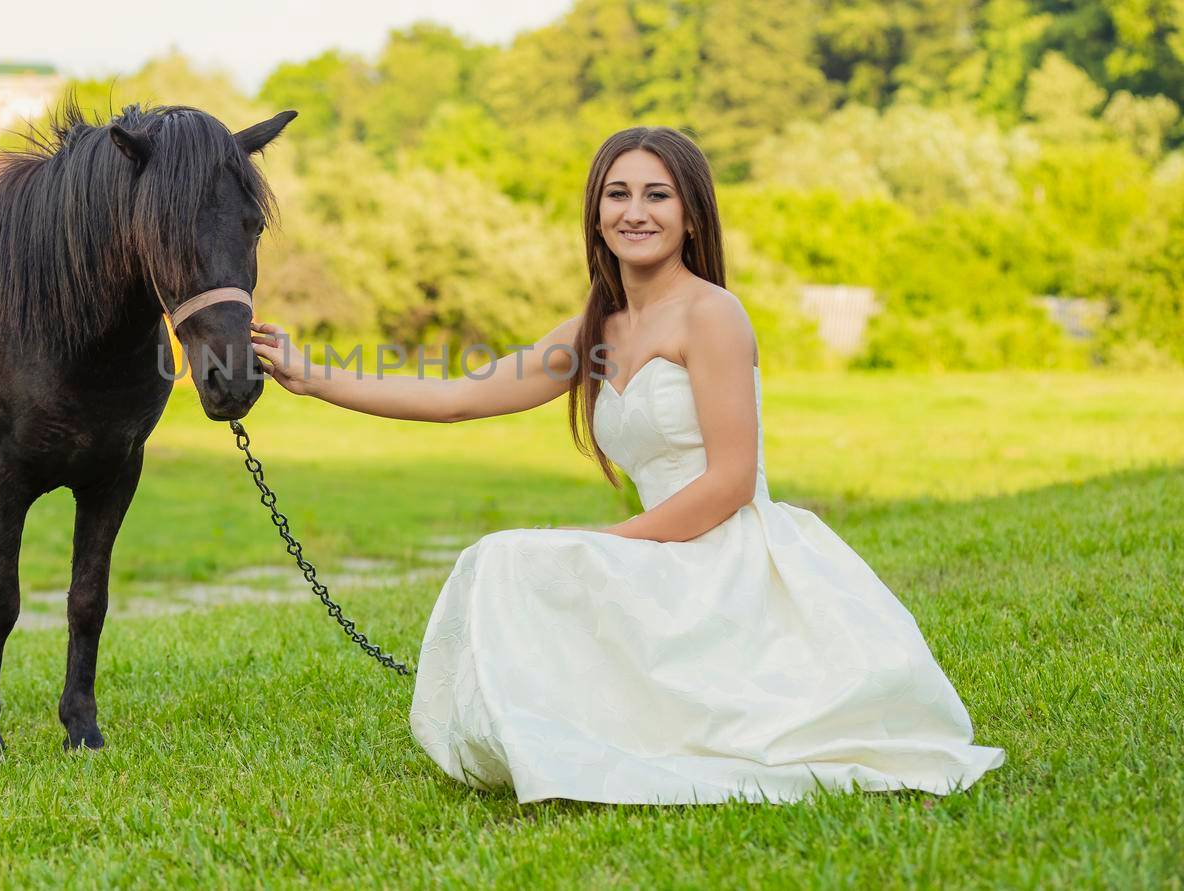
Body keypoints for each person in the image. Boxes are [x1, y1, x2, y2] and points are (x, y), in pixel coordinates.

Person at [249, 126, 1004, 805]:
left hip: (725, 551)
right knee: (501, 558)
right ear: (596, 213)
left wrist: (617, 542)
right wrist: (312, 374)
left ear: (691, 216)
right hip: (658, 545)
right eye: (617, 194)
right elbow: (460, 396)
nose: (634, 211)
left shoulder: (712, 314)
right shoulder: (596, 327)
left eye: (656, 194)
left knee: (516, 556)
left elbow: (731, 480)